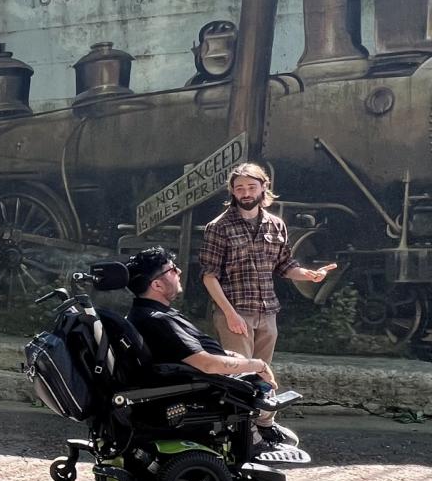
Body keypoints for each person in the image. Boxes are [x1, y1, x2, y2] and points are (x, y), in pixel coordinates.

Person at [198, 163, 334, 442]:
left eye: (251, 187)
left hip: (267, 310)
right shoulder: (219, 227)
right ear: (232, 192)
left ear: (263, 187)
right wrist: (230, 314)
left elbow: (285, 265)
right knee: (240, 377)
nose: (245, 193)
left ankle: (264, 424)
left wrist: (308, 274)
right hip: (234, 312)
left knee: (264, 374)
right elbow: (209, 276)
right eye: (239, 188)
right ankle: (242, 434)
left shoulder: (276, 224)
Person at [125, 246, 296, 456]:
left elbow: (191, 351)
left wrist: (231, 356)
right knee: (257, 380)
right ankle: (255, 441)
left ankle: (262, 430)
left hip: (197, 378)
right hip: (201, 387)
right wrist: (258, 364)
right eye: (171, 269)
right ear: (157, 284)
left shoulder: (146, 313)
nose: (178, 272)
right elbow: (207, 364)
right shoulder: (158, 320)